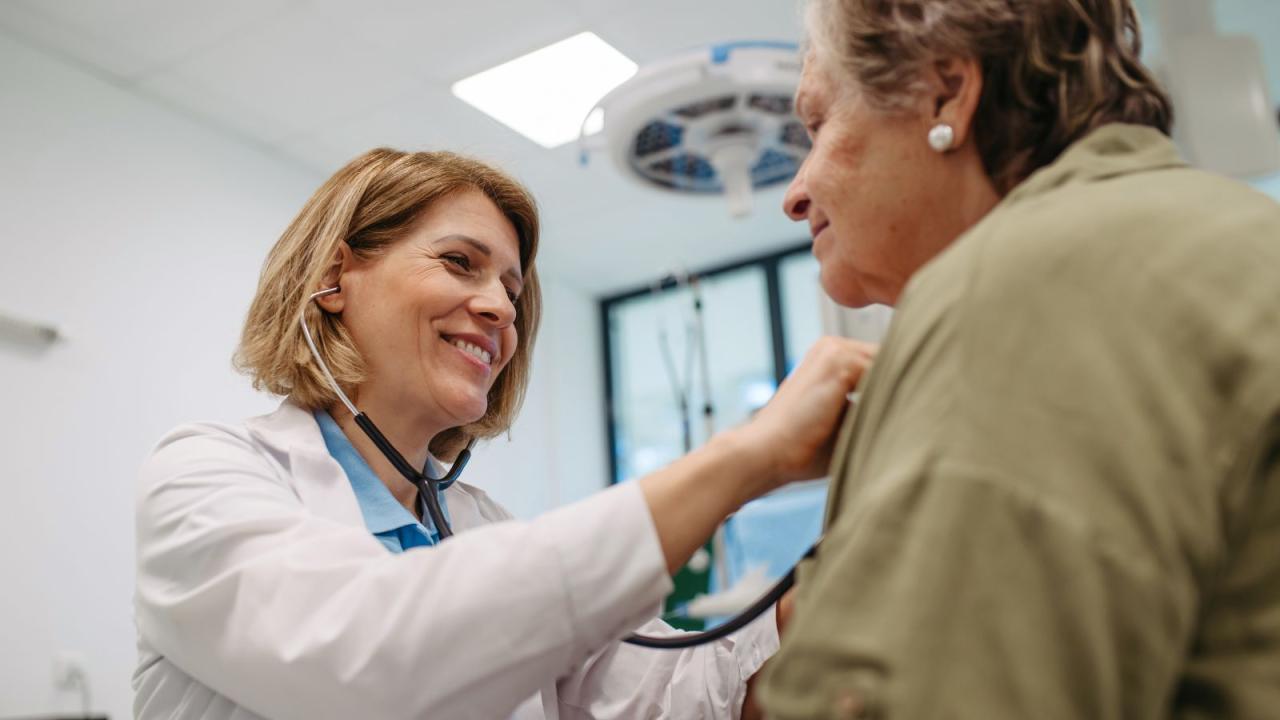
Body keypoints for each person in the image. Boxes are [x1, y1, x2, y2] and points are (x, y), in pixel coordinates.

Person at [132, 148, 874, 720]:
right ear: (334, 277)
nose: (501, 310)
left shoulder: (479, 527)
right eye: (460, 263)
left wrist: (857, 579)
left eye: (512, 290)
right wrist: (749, 458)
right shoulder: (206, 475)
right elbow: (369, 653)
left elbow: (673, 695)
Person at [757, 0, 1280, 718]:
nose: (794, 195)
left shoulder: (1020, 287)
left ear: (946, 92)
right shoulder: (1233, 230)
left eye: (817, 126)